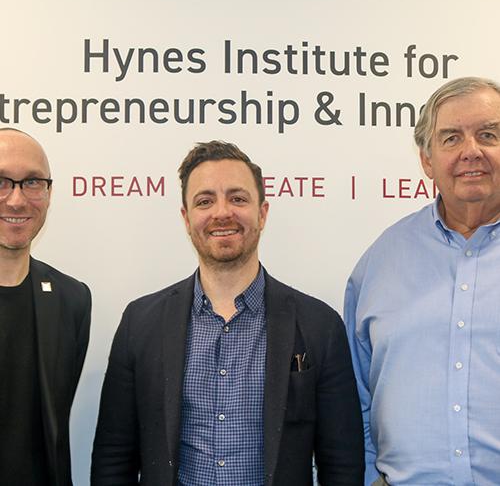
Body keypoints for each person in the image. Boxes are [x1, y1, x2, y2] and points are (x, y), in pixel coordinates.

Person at [91, 140, 364, 485]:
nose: (222, 212)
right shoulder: (140, 323)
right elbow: (114, 457)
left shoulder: (319, 325)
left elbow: (342, 464)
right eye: (205, 201)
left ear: (262, 213)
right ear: (186, 218)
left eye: (237, 198)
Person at [345, 76, 500, 485]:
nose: (471, 151)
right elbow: (356, 397)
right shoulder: (381, 262)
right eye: (451, 138)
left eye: (489, 134)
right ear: (427, 160)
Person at [0, 128, 91, 485]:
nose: (17, 200)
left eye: (33, 182)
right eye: (2, 181)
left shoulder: (73, 300)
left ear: (49, 193)